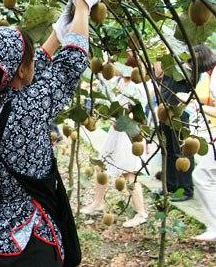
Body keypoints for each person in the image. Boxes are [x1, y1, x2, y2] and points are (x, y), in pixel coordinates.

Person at [0, 0, 101, 266]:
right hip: (28, 245)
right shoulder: (23, 111)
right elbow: (70, 65)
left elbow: (31, 71)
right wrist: (83, 5)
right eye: (29, 60)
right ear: (20, 70)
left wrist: (58, 33)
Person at [81, 69, 149, 227]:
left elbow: (139, 113)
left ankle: (141, 213)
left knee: (129, 173)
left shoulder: (137, 85)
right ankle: (97, 202)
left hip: (129, 133)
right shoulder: (118, 81)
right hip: (116, 131)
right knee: (101, 166)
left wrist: (123, 119)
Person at [156, 44, 211, 201]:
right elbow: (160, 75)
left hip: (179, 115)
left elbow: (189, 96)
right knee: (167, 150)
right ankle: (170, 186)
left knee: (183, 152)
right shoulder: (174, 65)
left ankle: (186, 190)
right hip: (165, 113)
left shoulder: (192, 73)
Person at [176, 45, 216, 242]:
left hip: (214, 134)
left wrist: (195, 104)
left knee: (201, 176)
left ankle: (215, 226)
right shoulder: (209, 75)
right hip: (210, 133)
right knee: (208, 177)